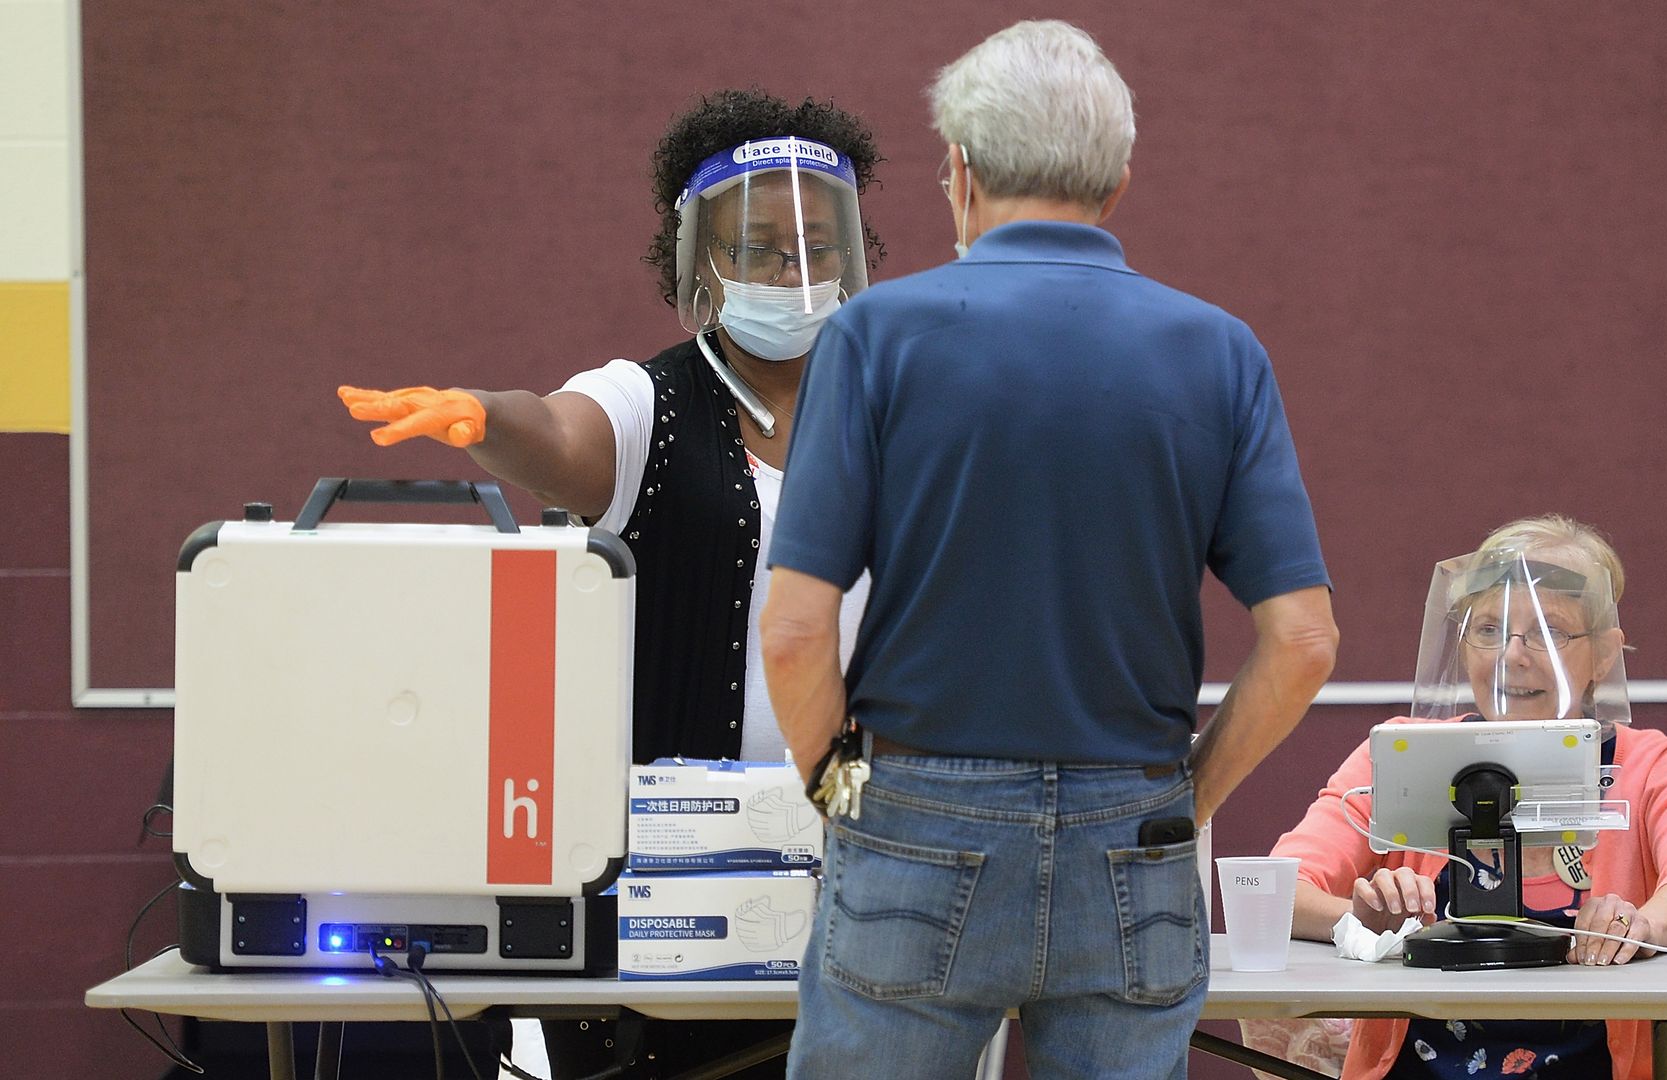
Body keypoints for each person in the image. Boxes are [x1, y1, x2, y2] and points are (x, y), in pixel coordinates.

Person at [760, 21, 1339, 1080]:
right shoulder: (1218, 351)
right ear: (1116, 185)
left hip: (917, 818)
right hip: (1138, 827)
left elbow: (797, 631)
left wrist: (838, 787)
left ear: (962, 175)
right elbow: (1302, 640)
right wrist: (1188, 799)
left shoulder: (875, 337)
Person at [338, 89, 884, 1079]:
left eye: (816, 244)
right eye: (759, 248)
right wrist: (484, 418)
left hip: (861, 884)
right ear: (699, 264)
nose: (793, 273)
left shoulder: (898, 417)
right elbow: (553, 431)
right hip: (670, 902)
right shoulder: (654, 406)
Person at [1251, 515, 1667, 1080]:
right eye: (1489, 630)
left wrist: (1640, 926)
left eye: (1550, 632)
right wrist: (1359, 921)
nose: (1513, 655)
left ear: (1604, 654)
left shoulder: (1656, 765)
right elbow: (1275, 890)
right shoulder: (1401, 753)